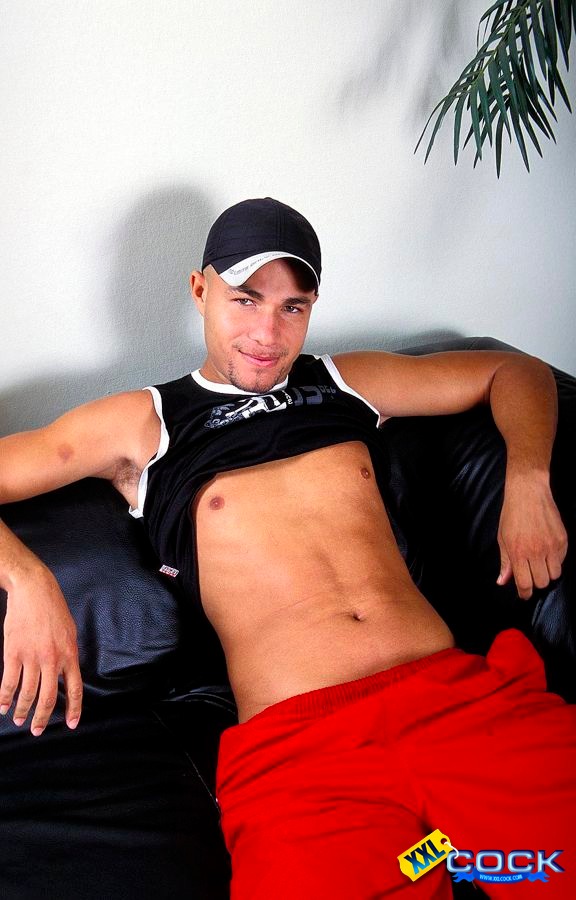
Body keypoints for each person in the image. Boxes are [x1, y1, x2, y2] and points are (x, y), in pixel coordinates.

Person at [0, 197, 574, 898]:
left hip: (457, 708)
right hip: (302, 755)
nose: (267, 334)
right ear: (200, 290)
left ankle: (441, 856)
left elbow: (514, 372)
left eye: (292, 308)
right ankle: (432, 858)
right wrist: (28, 580)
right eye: (245, 300)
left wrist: (527, 481)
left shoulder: (345, 382)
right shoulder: (145, 423)